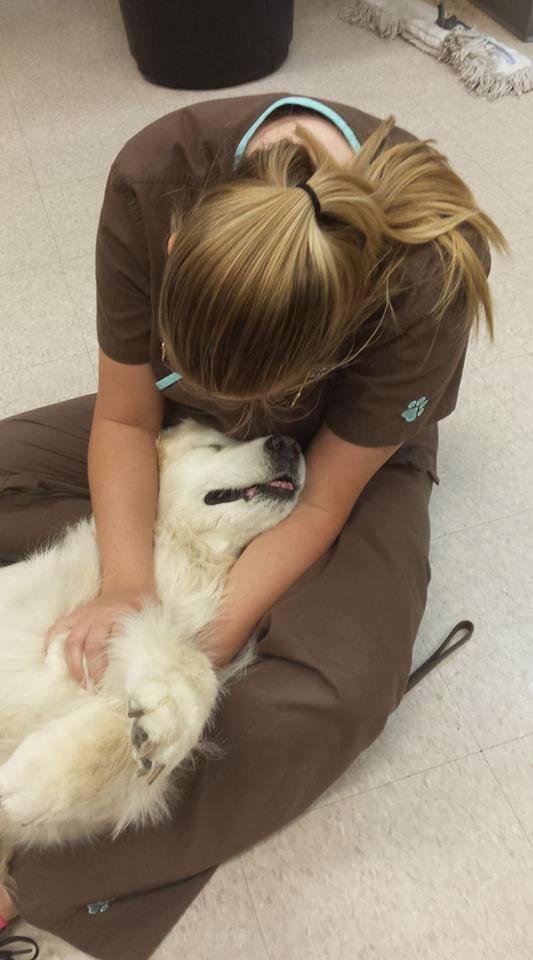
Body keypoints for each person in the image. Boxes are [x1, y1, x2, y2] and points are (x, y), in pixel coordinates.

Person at [0, 92, 505, 959]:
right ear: (174, 246)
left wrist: (185, 648)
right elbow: (127, 417)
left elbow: (323, 502)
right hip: (175, 425)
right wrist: (126, 584)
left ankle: (27, 874)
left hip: (344, 455)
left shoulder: (427, 274)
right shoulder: (151, 181)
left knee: (337, 691)